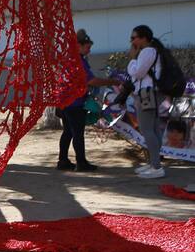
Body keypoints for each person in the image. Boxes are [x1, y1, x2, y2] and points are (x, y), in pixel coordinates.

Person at [57, 30, 122, 172]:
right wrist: (113, 81)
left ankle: (63, 161)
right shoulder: (79, 61)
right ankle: (81, 162)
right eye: (87, 46)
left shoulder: (69, 58)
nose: (89, 49)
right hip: (75, 102)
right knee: (77, 133)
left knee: (68, 131)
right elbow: (91, 80)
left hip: (65, 101)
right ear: (78, 45)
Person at [128, 26, 166, 178]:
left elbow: (137, 73)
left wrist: (131, 60)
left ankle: (156, 167)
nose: (132, 41)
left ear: (143, 38)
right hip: (151, 92)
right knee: (154, 129)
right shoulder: (153, 51)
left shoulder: (147, 51)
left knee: (147, 129)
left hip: (146, 93)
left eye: (134, 37)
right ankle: (154, 163)